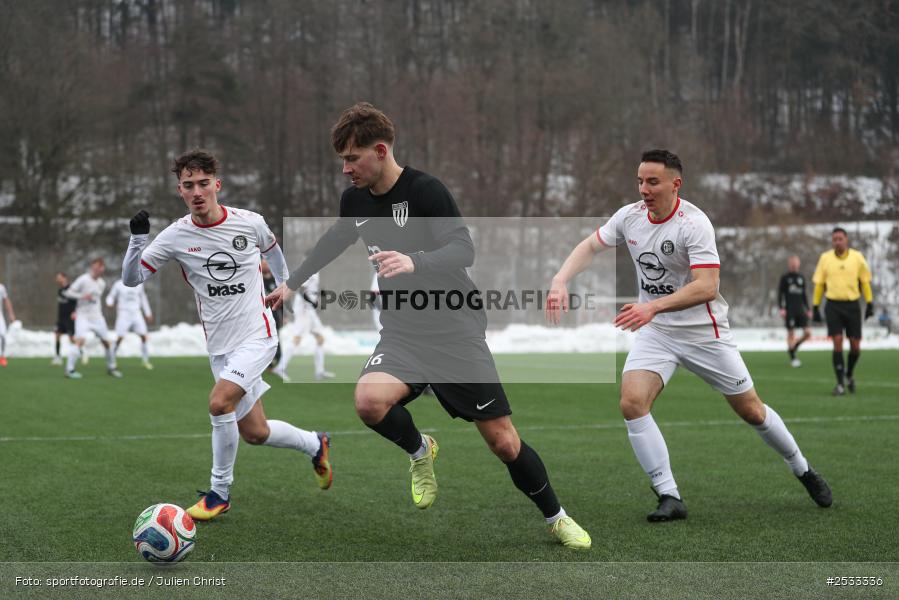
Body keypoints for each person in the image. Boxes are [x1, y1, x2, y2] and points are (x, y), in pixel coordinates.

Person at [265, 103, 590, 549]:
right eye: (342, 159)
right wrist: (290, 284)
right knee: (368, 403)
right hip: (403, 333)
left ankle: (557, 517)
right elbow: (337, 237)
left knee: (503, 443)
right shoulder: (354, 199)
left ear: (380, 150)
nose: (345, 169)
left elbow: (463, 249)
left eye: (352, 158)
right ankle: (421, 450)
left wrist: (413, 261)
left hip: (455, 331)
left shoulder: (426, 191)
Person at [547, 149, 832, 521]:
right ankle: (669, 495)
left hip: (704, 333)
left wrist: (651, 306)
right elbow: (589, 246)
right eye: (639, 181)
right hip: (658, 333)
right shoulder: (629, 218)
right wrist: (559, 280)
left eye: (652, 181)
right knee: (632, 403)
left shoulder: (694, 224)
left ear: (675, 183)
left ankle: (802, 468)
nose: (644, 189)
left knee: (752, 410)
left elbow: (707, 287)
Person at [121, 149, 333, 521]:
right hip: (220, 347)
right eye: (189, 185)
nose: (197, 191)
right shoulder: (175, 236)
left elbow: (273, 249)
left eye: (204, 183)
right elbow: (132, 278)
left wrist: (286, 285)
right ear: (180, 191)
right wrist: (137, 239)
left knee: (220, 403)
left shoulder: (249, 223)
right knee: (256, 432)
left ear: (217, 185)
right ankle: (316, 443)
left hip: (258, 334)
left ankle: (219, 493)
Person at [812, 228, 874, 396]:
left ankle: (849, 374)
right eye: (834, 239)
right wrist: (815, 306)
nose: (837, 241)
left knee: (855, 347)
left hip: (852, 305)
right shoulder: (825, 259)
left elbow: (865, 282)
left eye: (840, 238)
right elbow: (819, 284)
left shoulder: (857, 258)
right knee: (837, 341)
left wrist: (869, 303)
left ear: (846, 240)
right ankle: (840, 383)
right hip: (833, 305)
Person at [62, 259, 121, 379]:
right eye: (95, 268)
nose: (97, 271)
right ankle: (69, 370)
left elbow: (96, 300)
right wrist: (82, 296)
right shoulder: (83, 279)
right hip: (83, 315)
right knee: (80, 340)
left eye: (100, 269)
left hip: (97, 316)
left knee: (107, 342)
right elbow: (68, 293)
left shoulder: (102, 283)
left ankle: (112, 367)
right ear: (92, 268)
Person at [272, 272, 335, 382]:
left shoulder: (318, 272)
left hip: (310, 311)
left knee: (320, 338)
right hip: (303, 311)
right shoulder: (310, 271)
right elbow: (301, 289)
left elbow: (311, 290)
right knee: (297, 339)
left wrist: (318, 296)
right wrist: (311, 302)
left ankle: (319, 372)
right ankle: (280, 368)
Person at [106, 278, 154, 370]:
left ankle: (145, 361)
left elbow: (143, 298)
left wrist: (148, 313)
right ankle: (112, 360)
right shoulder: (118, 284)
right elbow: (111, 296)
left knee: (144, 336)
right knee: (119, 338)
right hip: (124, 313)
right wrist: (110, 303)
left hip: (136, 313)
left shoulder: (139, 283)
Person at [777, 255, 812, 367]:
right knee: (791, 333)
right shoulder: (785, 277)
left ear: (799, 263)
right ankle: (793, 358)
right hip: (789, 310)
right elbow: (780, 294)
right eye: (792, 262)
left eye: (796, 262)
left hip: (801, 309)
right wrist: (781, 308)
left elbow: (804, 295)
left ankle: (793, 348)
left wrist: (808, 309)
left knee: (807, 333)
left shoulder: (801, 277)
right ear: (789, 264)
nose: (794, 264)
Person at [260, 260, 283, 372]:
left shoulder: (275, 280)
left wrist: (284, 316)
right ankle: (263, 362)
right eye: (263, 263)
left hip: (274, 314)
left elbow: (281, 299)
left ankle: (276, 360)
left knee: (275, 337)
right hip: (260, 315)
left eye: (267, 263)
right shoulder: (258, 279)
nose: (265, 265)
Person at [53, 272, 78, 366]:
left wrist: (74, 312)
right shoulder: (60, 290)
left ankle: (81, 351)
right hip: (60, 318)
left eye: (59, 278)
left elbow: (76, 301)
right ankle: (58, 357)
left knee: (71, 338)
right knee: (57, 335)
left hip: (69, 318)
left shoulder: (71, 289)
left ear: (64, 278)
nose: (57, 280)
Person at [0, 282, 17, 367]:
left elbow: (6, 300)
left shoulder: (1, 287)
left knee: (3, 335)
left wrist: (11, 314)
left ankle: (2, 356)